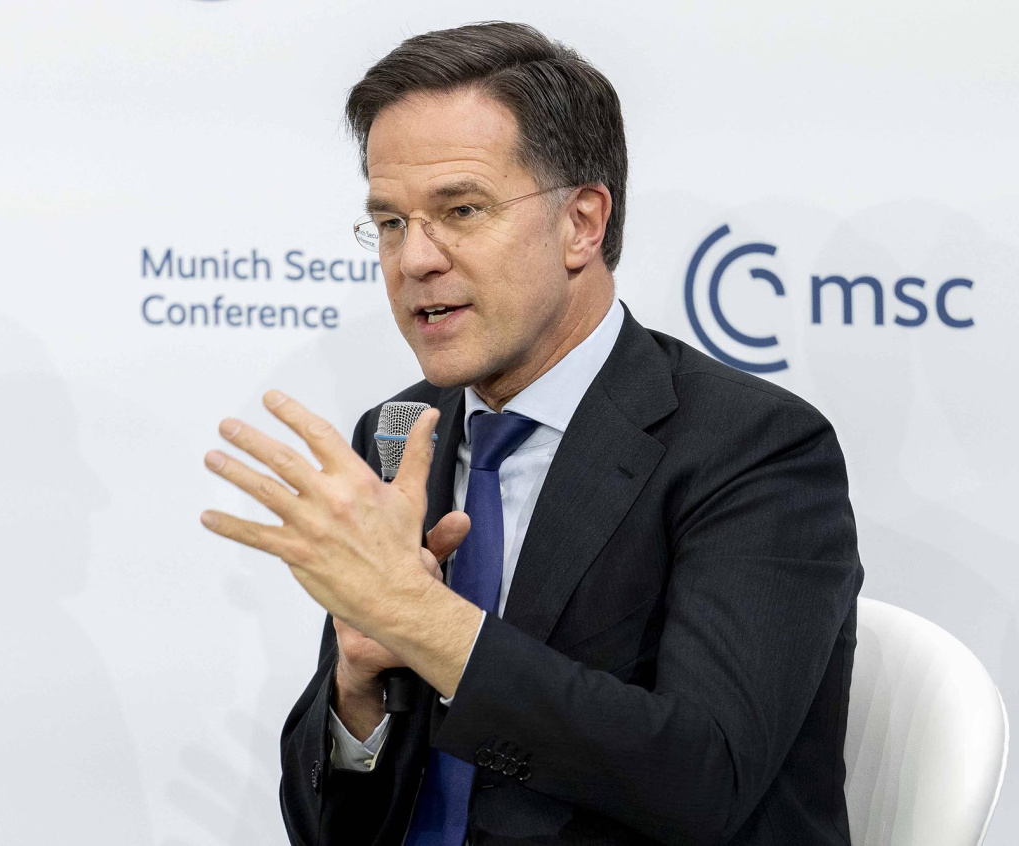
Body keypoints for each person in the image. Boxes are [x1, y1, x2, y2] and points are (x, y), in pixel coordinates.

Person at [200, 21, 862, 846]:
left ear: (582, 222)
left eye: (461, 210)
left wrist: (423, 621)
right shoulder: (401, 433)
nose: (414, 260)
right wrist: (359, 691)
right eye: (391, 222)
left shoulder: (752, 447)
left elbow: (702, 782)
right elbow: (331, 833)